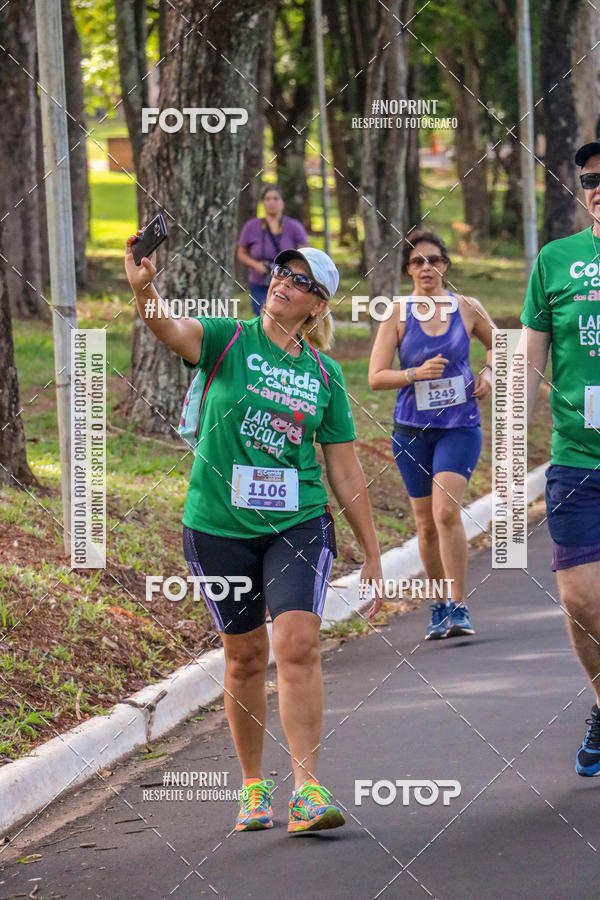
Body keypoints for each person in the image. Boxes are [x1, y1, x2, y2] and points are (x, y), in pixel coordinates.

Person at [125, 238, 383, 833]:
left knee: (297, 644)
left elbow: (343, 468)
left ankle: (307, 790)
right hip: (217, 525)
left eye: (299, 281)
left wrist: (371, 550)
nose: (282, 283)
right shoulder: (228, 340)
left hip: (298, 523)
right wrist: (144, 290)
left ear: (317, 306)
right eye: (280, 272)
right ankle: (251, 787)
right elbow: (169, 330)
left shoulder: (323, 374)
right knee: (244, 656)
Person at [369, 230, 495, 640]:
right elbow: (375, 376)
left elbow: (502, 344)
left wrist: (490, 372)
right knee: (425, 525)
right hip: (411, 431)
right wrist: (414, 374)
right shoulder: (398, 314)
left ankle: (459, 605)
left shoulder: (468, 308)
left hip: (459, 426)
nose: (427, 267)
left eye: (434, 260)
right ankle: (439, 605)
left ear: (445, 266)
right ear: (408, 269)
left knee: (445, 513)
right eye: (418, 261)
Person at [521, 142, 600, 776]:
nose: (597, 187)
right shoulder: (556, 261)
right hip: (578, 458)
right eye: (590, 180)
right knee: (581, 601)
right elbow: (529, 361)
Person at [237, 186, 308, 315]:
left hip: (286, 282)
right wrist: (256, 265)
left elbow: (304, 253)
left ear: (283, 203)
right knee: (262, 316)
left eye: (276, 199)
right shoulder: (251, 226)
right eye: (267, 199)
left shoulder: (294, 226)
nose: (271, 203)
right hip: (259, 281)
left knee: (283, 316)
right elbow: (241, 252)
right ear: (263, 203)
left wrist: (288, 268)